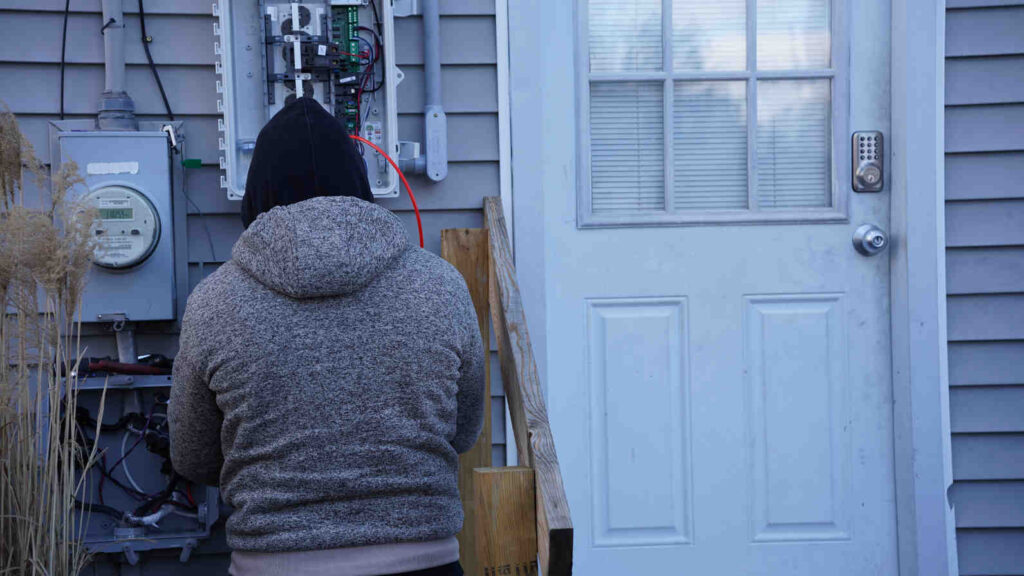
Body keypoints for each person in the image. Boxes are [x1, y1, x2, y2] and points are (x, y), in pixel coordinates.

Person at [169, 97, 485, 576]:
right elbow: (463, 431)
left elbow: (193, 456)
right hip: (425, 563)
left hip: (272, 563)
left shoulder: (215, 302)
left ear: (257, 189)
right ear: (359, 183)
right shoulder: (440, 286)